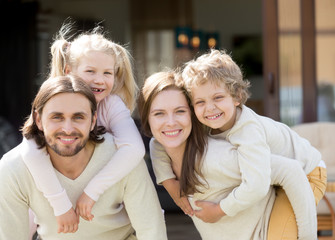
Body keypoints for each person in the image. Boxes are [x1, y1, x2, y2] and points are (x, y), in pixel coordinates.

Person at [137, 70, 318, 240]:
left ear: (192, 114)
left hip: (271, 224)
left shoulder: (217, 157)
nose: (170, 122)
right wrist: (169, 183)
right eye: (159, 114)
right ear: (147, 118)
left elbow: (291, 171)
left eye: (180, 111)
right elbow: (156, 144)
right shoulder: (161, 148)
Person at [179, 49, 327, 239]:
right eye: (200, 102)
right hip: (278, 178)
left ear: (237, 97)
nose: (209, 108)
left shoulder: (248, 132)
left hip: (308, 174)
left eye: (218, 97)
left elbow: (257, 185)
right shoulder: (208, 127)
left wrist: (219, 209)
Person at [0, 75, 167, 240]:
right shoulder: (13, 168)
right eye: (56, 117)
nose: (67, 128)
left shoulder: (122, 157)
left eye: (78, 117)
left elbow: (151, 229)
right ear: (38, 119)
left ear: (93, 120)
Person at [21, 22, 145, 233]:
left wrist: (92, 192)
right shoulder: (51, 96)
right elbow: (30, 151)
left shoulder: (111, 104)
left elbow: (134, 148)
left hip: (98, 198)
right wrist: (60, 206)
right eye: (90, 71)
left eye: (108, 73)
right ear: (69, 70)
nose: (100, 80)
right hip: (51, 188)